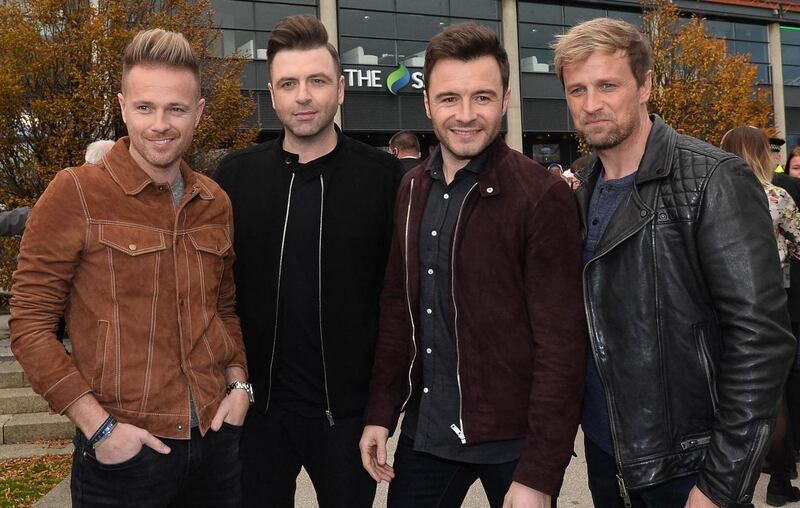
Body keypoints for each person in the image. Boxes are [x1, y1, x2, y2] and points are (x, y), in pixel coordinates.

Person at [553, 18, 794, 508]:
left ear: (645, 86)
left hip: (689, 469)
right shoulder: (585, 189)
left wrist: (721, 485)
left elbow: (761, 340)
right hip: (609, 452)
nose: (591, 103)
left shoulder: (713, 179)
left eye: (607, 85)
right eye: (577, 89)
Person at [10, 28, 250, 507]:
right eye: (145, 107)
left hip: (215, 441)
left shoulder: (214, 201)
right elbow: (30, 325)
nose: (159, 124)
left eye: (175, 109)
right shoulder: (75, 192)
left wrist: (239, 384)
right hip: (122, 452)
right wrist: (98, 427)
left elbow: (222, 308)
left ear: (197, 113)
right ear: (123, 107)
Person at [360, 23, 586, 508]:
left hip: (514, 442)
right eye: (449, 99)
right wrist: (381, 413)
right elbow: (399, 308)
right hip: (430, 432)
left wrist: (542, 474)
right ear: (427, 104)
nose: (465, 116)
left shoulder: (541, 197)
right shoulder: (412, 187)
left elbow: (562, 345)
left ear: (505, 99)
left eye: (481, 98)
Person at [213, 14, 402, 508]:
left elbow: (398, 303)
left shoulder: (385, 179)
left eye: (317, 81)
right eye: (288, 84)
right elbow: (212, 293)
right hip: (255, 413)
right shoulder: (235, 178)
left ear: (340, 89)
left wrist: (382, 408)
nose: (303, 96)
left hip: (347, 419)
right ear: (271, 94)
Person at [721, 126, 800, 506]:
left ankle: (736, 482)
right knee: (773, 391)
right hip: (770, 299)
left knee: (731, 389)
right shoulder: (776, 196)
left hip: (721, 300)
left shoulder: (714, 191)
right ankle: (779, 479)